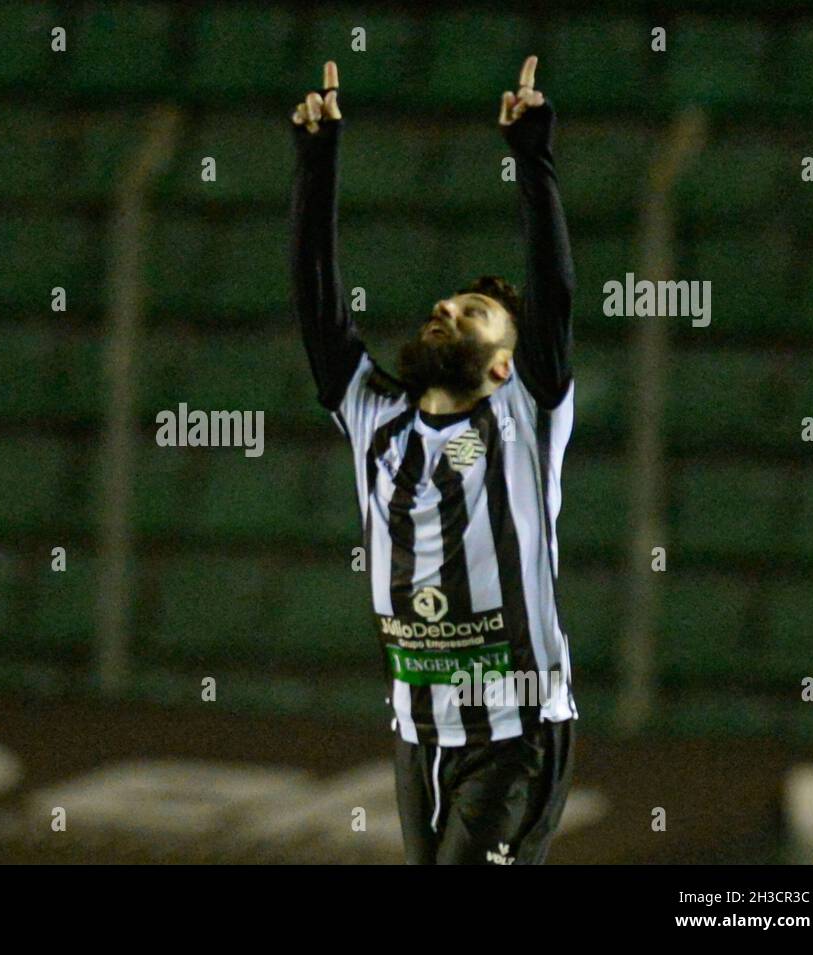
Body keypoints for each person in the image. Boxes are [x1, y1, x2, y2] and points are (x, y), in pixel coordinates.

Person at [289, 57, 577, 864]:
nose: (448, 308)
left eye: (476, 312)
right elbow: (319, 303)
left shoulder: (527, 416)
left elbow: (552, 296)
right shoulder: (375, 416)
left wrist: (532, 158)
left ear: (502, 365)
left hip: (517, 735)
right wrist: (317, 162)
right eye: (449, 304)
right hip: (419, 738)